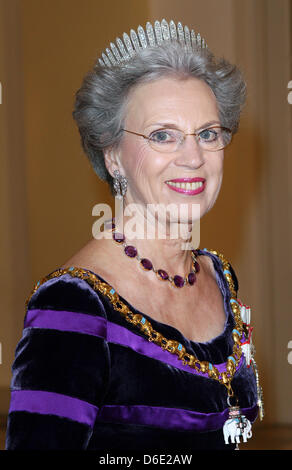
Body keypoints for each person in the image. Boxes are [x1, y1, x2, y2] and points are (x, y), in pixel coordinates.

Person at [5, 19, 263, 451]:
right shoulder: (74, 307)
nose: (194, 157)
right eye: (163, 135)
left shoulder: (219, 277)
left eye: (207, 133)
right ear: (113, 157)